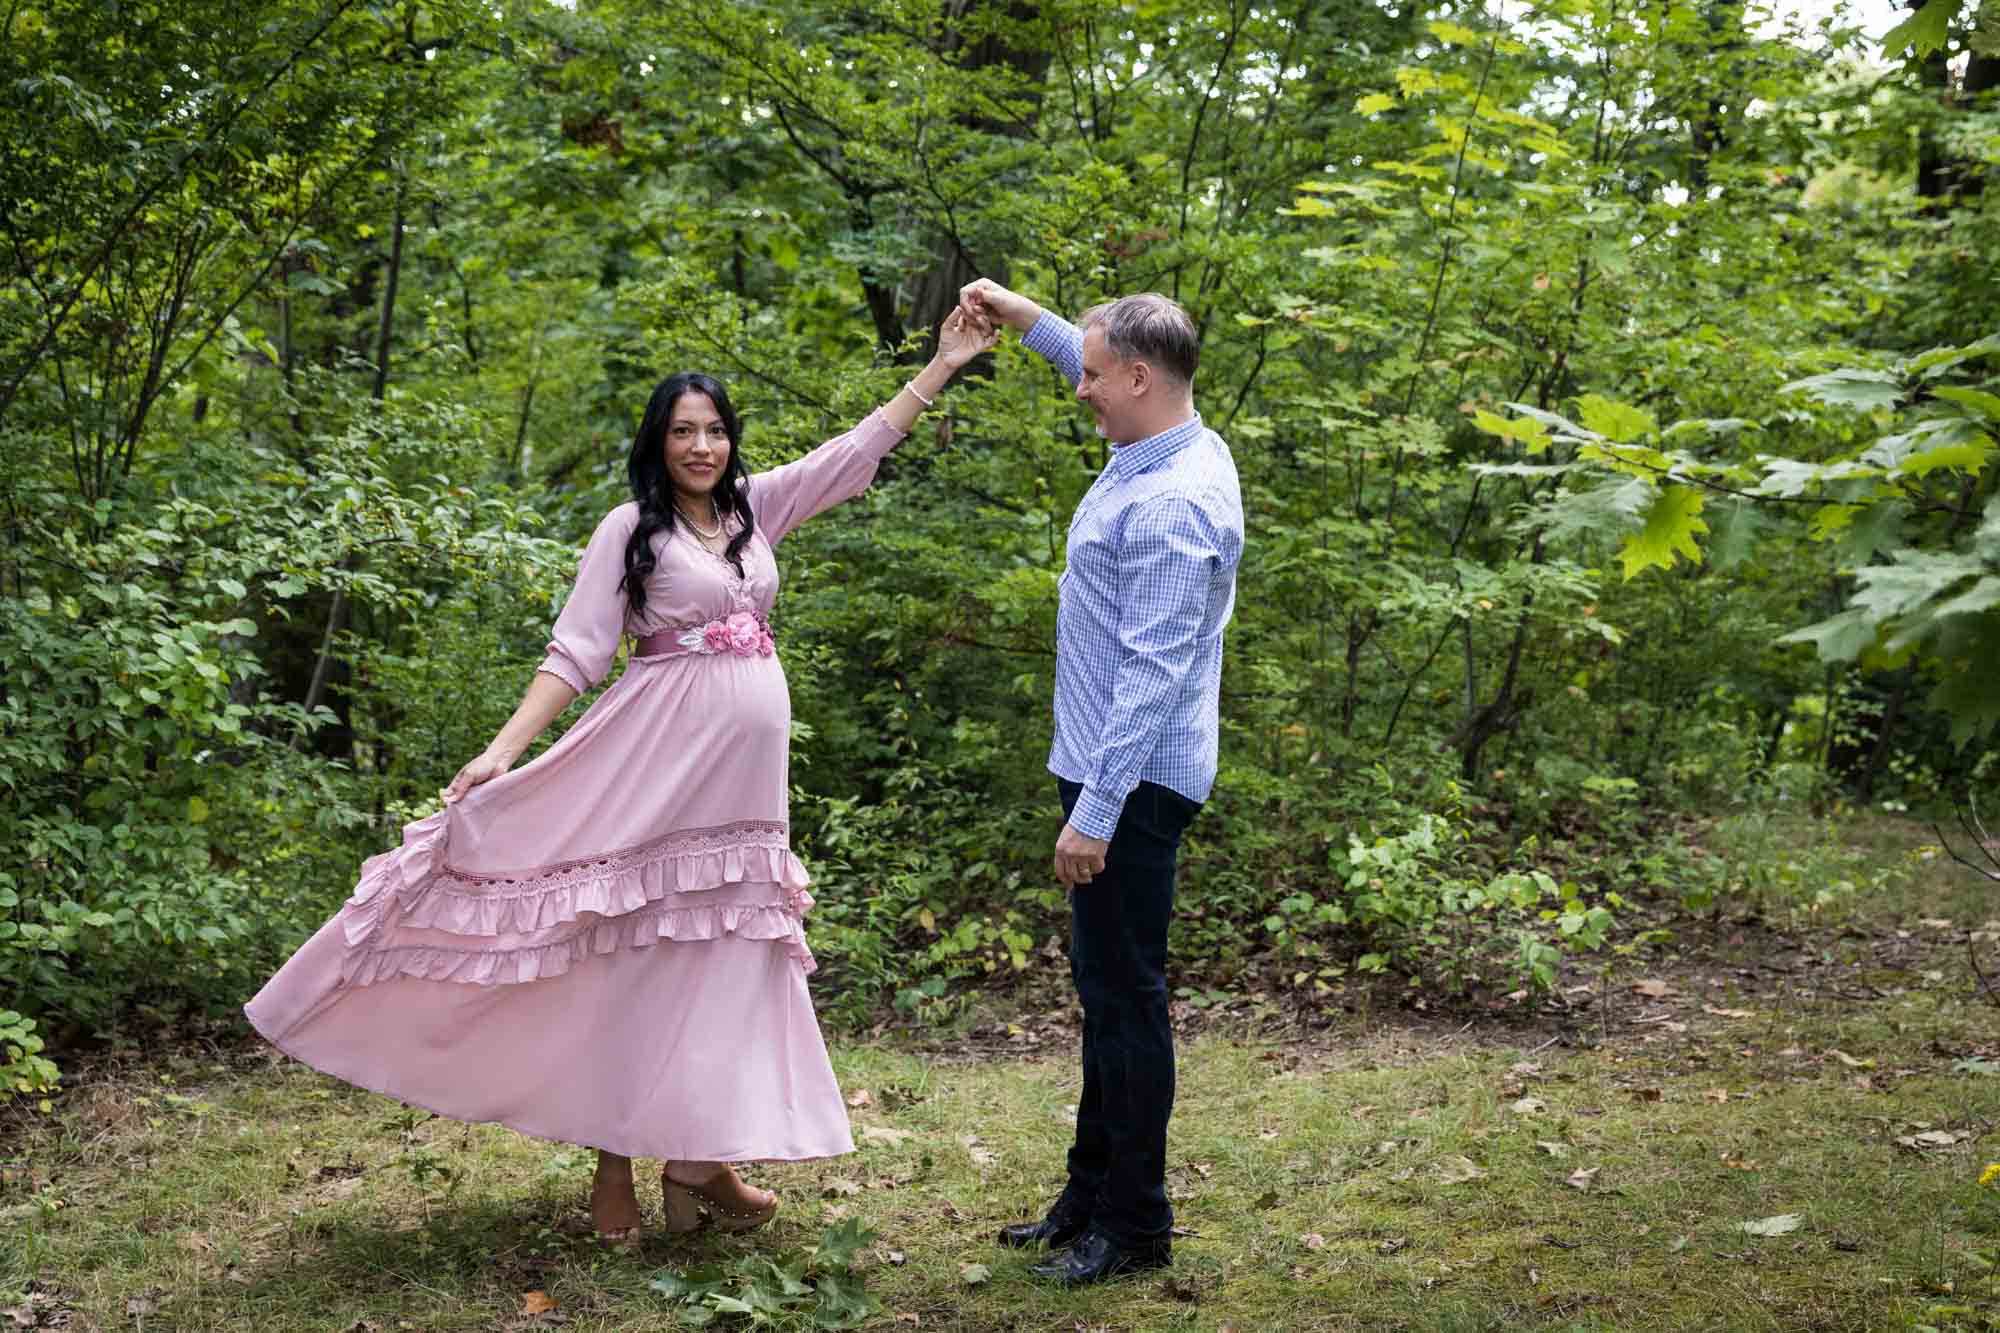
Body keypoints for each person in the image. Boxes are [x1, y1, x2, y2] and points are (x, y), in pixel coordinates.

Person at [245, 310, 997, 1244]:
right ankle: (615, 1167)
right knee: (631, 950)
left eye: (715, 428)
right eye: (683, 430)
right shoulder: (630, 530)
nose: (702, 445)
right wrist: (500, 751)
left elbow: (854, 452)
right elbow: (576, 652)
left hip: (745, 790)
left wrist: (943, 365)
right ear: (658, 442)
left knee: (721, 954)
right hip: (650, 770)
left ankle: (699, 1159)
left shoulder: (756, 511)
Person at [957, 278, 1243, 1286]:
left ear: (1134, 377)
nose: (1074, 389)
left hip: (1130, 784)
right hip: (1107, 777)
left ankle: (1135, 1223)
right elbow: (1074, 358)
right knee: (1104, 993)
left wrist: (1095, 812)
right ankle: (1089, 1195)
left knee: (1126, 1002)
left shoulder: (1171, 499)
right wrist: (1012, 310)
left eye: (1088, 374)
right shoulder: (1157, 439)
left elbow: (1151, 677)